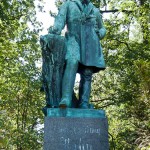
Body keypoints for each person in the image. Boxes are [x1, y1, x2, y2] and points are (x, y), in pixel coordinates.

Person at [50, 0, 106, 108]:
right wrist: (55, 30)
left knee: (87, 72)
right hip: (73, 39)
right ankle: (66, 99)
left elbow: (101, 27)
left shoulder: (95, 10)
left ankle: (84, 103)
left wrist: (102, 32)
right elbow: (60, 19)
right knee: (72, 61)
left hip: (90, 44)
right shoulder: (69, 4)